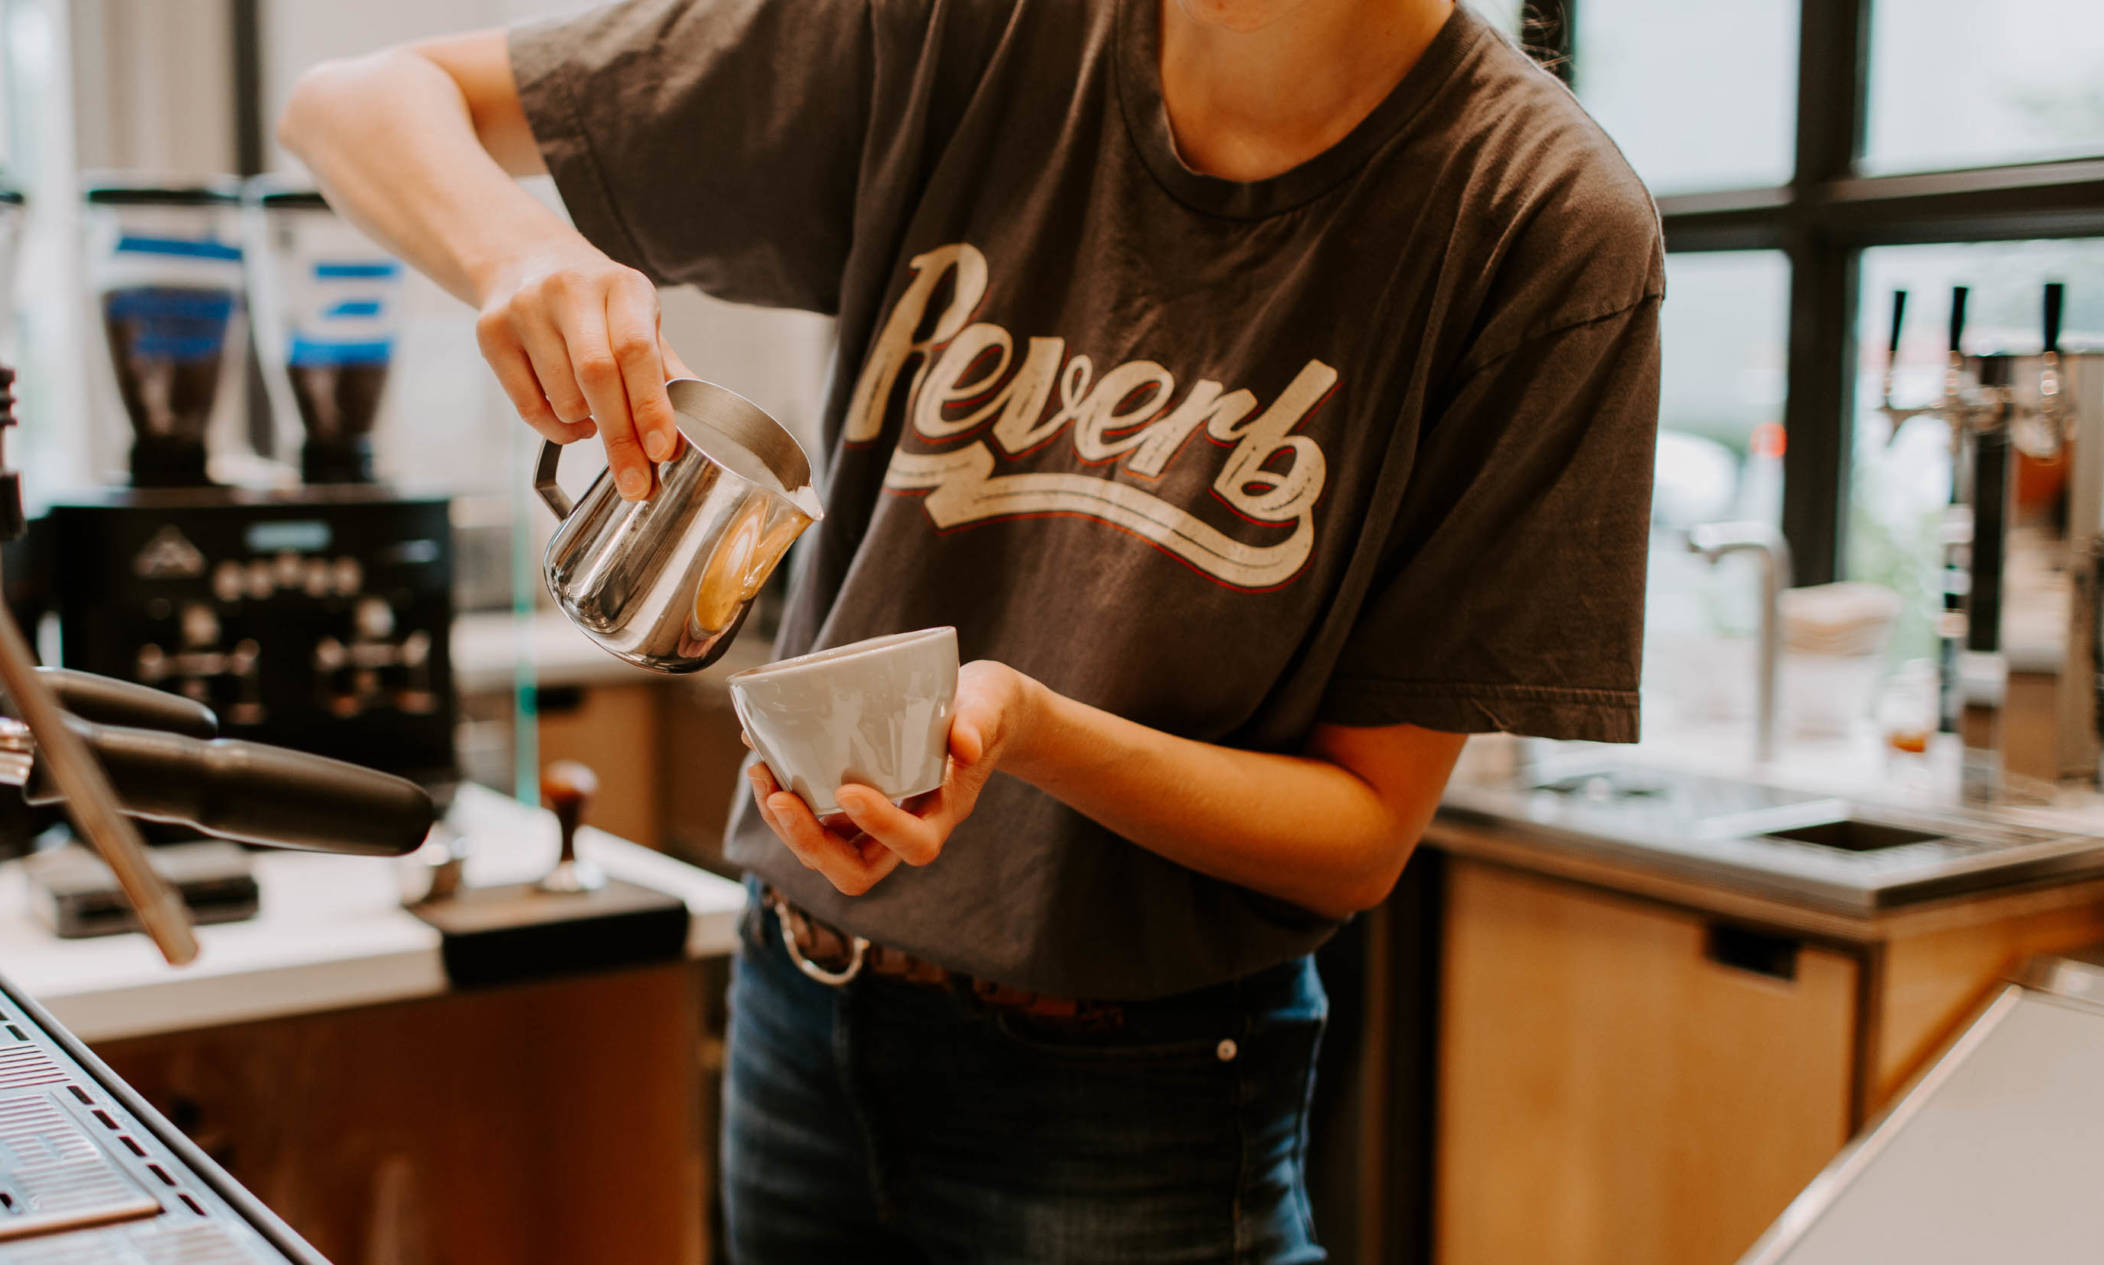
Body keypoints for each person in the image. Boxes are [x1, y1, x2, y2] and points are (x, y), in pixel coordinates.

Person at [281, 0, 1661, 1258]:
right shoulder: (960, 29)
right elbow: (353, 101)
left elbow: (1360, 832)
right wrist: (522, 253)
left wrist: (1033, 729)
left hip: (1143, 1094)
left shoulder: (1539, 225)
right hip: (797, 1009)